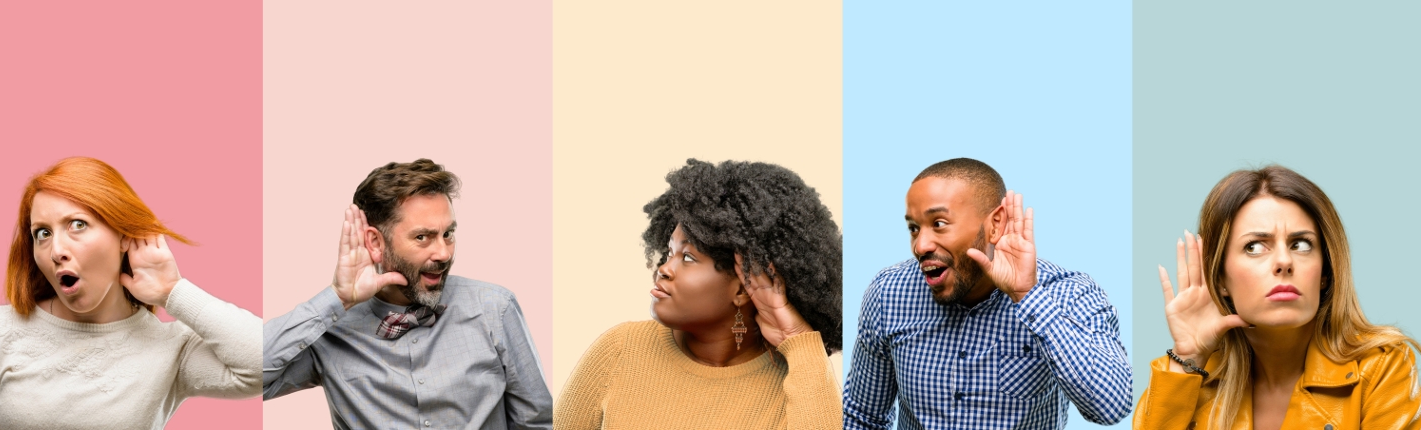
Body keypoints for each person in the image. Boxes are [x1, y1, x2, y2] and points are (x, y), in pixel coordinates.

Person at [0, 157, 262, 430]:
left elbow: (262, 364)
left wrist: (172, 291)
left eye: (78, 225)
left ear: (124, 235)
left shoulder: (171, 347)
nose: (57, 251)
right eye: (43, 233)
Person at [262, 159, 552, 429]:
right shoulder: (329, 329)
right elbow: (250, 376)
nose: (443, 253)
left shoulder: (495, 309)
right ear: (376, 243)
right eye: (422, 237)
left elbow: (536, 422)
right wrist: (336, 298)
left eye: (448, 234)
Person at [843, 158, 1132, 429]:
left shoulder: (1067, 293)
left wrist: (1028, 296)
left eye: (939, 224)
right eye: (914, 228)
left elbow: (1111, 407)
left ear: (995, 224)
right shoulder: (889, 293)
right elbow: (862, 415)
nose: (920, 245)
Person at [555, 159, 843, 429]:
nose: (664, 269)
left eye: (689, 258)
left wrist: (798, 340)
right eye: (669, 252)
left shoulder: (800, 382)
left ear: (743, 287)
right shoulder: (619, 350)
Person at [1135, 165, 1421, 430]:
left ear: (1325, 272)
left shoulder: (1381, 368)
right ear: (1220, 279)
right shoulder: (1191, 380)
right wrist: (1188, 358)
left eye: (1300, 244)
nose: (1284, 261)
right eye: (1255, 247)